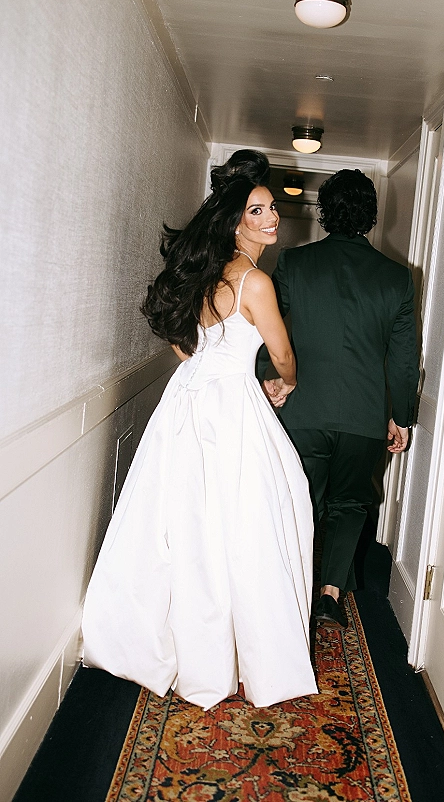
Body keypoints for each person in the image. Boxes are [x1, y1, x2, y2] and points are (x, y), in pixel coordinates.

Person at [82, 151, 318, 709]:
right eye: (258, 211)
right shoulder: (254, 282)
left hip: (186, 402)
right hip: (234, 407)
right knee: (251, 522)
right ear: (236, 221)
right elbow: (283, 355)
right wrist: (285, 382)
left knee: (189, 523)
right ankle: (243, 652)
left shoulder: (203, 276)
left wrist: (202, 366)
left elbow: (177, 336)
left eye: (271, 209)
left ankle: (195, 646)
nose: (272, 219)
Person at [262, 169, 420, 630]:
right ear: (371, 216)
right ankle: (330, 593)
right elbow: (403, 360)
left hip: (301, 410)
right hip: (364, 416)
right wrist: (401, 417)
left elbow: (265, 331)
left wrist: (268, 379)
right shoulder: (396, 279)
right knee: (351, 502)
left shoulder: (294, 264)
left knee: (299, 500)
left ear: (325, 212)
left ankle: (289, 593)